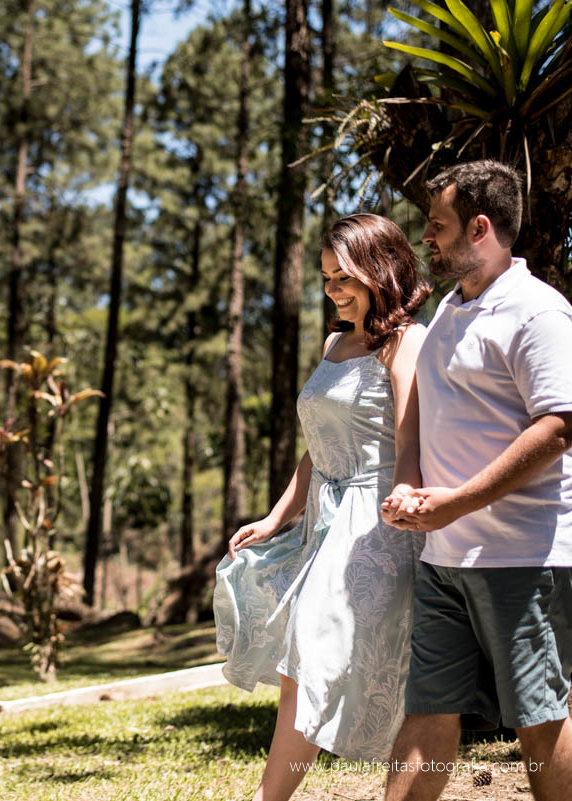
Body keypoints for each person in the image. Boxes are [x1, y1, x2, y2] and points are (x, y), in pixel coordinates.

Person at [214, 213, 431, 801]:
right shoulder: (337, 341)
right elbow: (315, 449)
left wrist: (407, 497)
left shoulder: (406, 341)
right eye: (327, 277)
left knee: (319, 654)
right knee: (299, 660)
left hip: (376, 522)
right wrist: (277, 515)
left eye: (344, 277)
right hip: (324, 519)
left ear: (378, 270)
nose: (333, 289)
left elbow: (412, 438)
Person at [379, 160, 572, 801]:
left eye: (438, 225)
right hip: (444, 558)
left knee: (538, 719)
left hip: (523, 556)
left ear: (480, 227)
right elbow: (423, 425)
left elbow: (559, 427)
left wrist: (457, 502)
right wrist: (412, 490)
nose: (425, 237)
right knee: (428, 708)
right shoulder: (446, 315)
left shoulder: (538, 312)